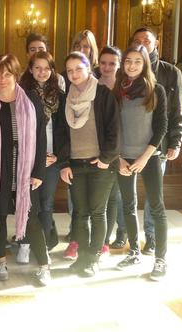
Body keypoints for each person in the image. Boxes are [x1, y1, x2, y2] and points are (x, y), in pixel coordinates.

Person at [0, 54, 50, 285]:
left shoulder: (31, 99)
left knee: (31, 217)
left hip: (26, 168)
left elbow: (40, 137)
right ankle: (1, 261)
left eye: (7, 74)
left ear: (16, 75)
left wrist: (38, 172)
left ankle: (44, 266)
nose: (2, 78)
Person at [58, 51, 120, 278]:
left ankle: (93, 258)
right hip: (75, 164)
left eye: (78, 68)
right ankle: (82, 256)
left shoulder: (103, 94)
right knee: (81, 213)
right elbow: (61, 133)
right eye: (69, 70)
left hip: (100, 164)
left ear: (88, 68)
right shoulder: (66, 98)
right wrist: (64, 163)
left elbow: (114, 130)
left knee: (97, 212)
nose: (74, 73)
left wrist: (106, 158)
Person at [112, 45, 168, 281]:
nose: (132, 65)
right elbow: (111, 128)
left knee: (156, 207)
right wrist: (118, 158)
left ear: (145, 63)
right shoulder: (116, 91)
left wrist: (145, 157)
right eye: (128, 61)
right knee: (128, 205)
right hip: (123, 157)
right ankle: (134, 251)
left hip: (149, 156)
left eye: (137, 61)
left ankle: (160, 259)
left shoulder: (156, 90)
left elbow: (162, 127)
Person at [131, 27, 182, 256]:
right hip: (129, 145)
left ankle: (151, 237)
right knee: (124, 194)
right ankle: (125, 234)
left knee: (153, 195)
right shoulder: (128, 72)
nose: (142, 44)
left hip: (158, 145)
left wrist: (176, 140)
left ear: (156, 44)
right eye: (137, 40)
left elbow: (179, 108)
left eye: (147, 40)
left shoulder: (171, 72)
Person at [19, 51, 66, 263]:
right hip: (28, 159)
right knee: (28, 204)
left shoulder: (60, 96)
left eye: (47, 68)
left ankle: (44, 245)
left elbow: (64, 131)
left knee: (46, 204)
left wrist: (57, 156)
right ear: (30, 69)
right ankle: (25, 243)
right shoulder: (22, 94)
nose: (42, 72)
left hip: (51, 159)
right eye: (37, 67)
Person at [97, 46, 128, 251]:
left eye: (112, 63)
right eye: (103, 63)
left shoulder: (125, 88)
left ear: (119, 65)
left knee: (115, 196)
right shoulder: (91, 84)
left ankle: (114, 235)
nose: (107, 67)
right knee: (100, 197)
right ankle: (98, 237)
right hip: (96, 148)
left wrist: (119, 154)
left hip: (118, 149)